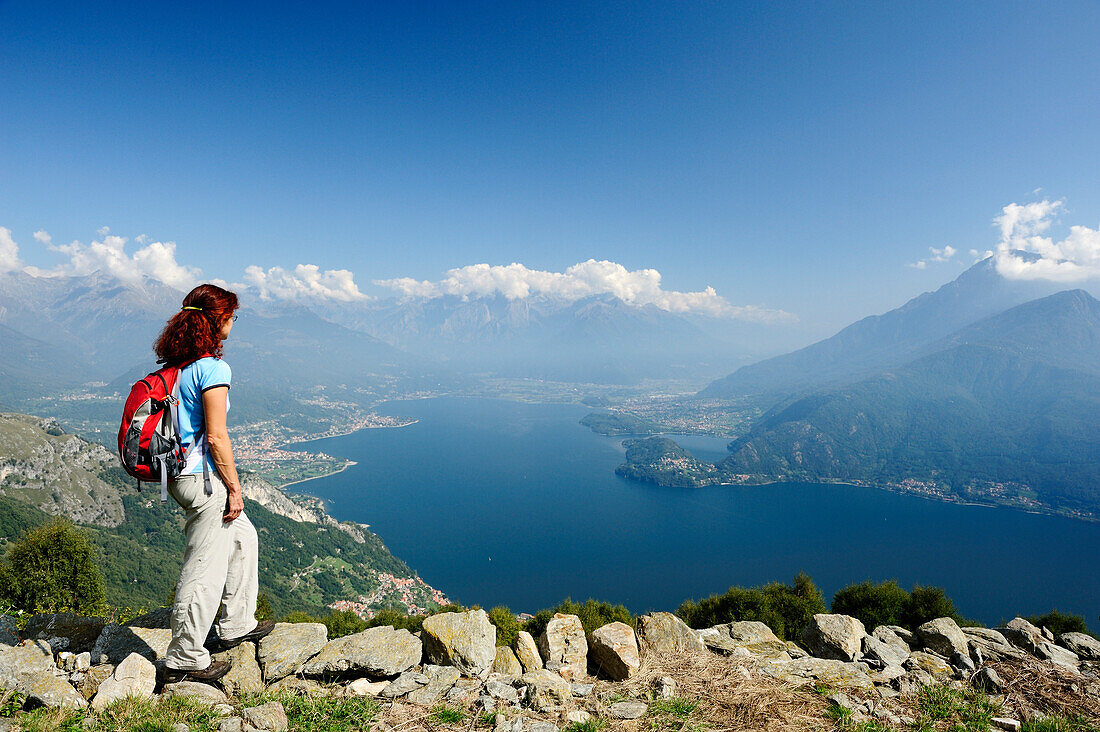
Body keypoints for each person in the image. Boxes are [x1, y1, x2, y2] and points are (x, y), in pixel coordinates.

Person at [153, 283, 273, 683]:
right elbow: (217, 436)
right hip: (202, 480)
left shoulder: (178, 367)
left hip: (181, 476)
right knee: (204, 565)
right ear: (218, 319)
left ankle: (236, 623)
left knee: (244, 537)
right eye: (232, 317)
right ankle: (183, 658)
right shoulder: (213, 368)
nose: (233, 324)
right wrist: (234, 489)